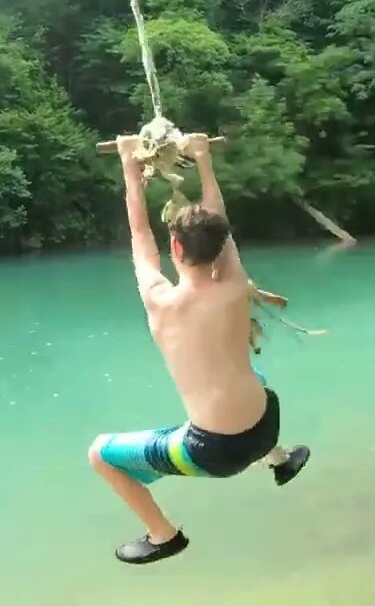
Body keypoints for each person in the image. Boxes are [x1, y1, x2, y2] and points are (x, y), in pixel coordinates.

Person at [87, 132, 311, 566]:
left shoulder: (160, 300)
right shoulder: (233, 286)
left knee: (99, 453)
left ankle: (163, 534)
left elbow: (139, 235)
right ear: (223, 246)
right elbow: (218, 218)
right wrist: (203, 158)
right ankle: (280, 461)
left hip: (213, 454)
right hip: (267, 422)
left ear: (175, 246)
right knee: (252, 380)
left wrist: (129, 168)